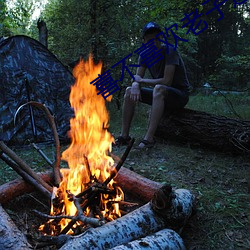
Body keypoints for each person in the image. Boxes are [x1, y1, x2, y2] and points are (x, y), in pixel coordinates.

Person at [115, 22, 191, 148]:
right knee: (129, 91)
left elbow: (167, 81)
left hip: (179, 95)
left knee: (159, 88)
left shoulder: (170, 51)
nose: (154, 42)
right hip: (161, 95)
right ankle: (124, 136)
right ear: (144, 41)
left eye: (157, 39)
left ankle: (149, 139)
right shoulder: (144, 55)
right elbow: (137, 78)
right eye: (150, 40)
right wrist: (134, 85)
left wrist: (141, 81)